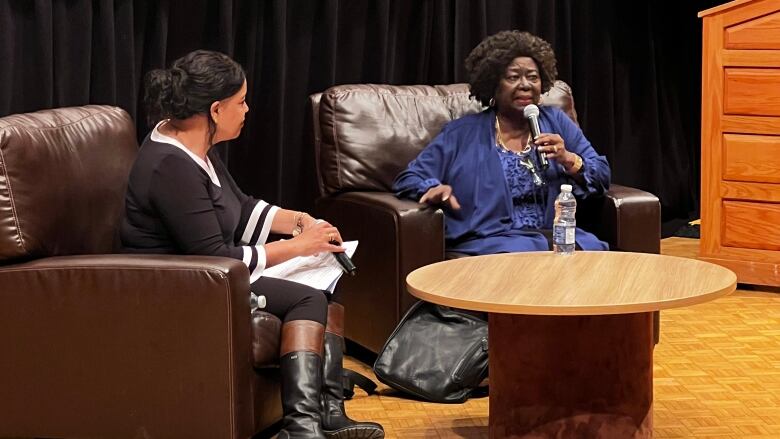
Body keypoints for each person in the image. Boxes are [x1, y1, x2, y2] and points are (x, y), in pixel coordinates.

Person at [121, 50, 384, 439]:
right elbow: (216, 257)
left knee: (329, 273)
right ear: (215, 109)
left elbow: (240, 209)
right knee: (307, 298)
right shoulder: (170, 165)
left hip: (212, 271)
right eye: (241, 102)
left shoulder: (194, 143)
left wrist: (301, 223)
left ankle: (329, 412)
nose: (247, 109)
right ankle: (301, 428)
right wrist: (299, 246)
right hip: (182, 284)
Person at [394, 30, 611, 255]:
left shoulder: (555, 121)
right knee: (525, 258)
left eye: (533, 77)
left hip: (553, 235)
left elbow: (602, 174)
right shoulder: (461, 133)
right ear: (493, 85)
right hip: (492, 240)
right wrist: (432, 188)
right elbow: (409, 178)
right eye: (513, 77)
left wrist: (569, 159)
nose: (525, 85)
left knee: (596, 255)